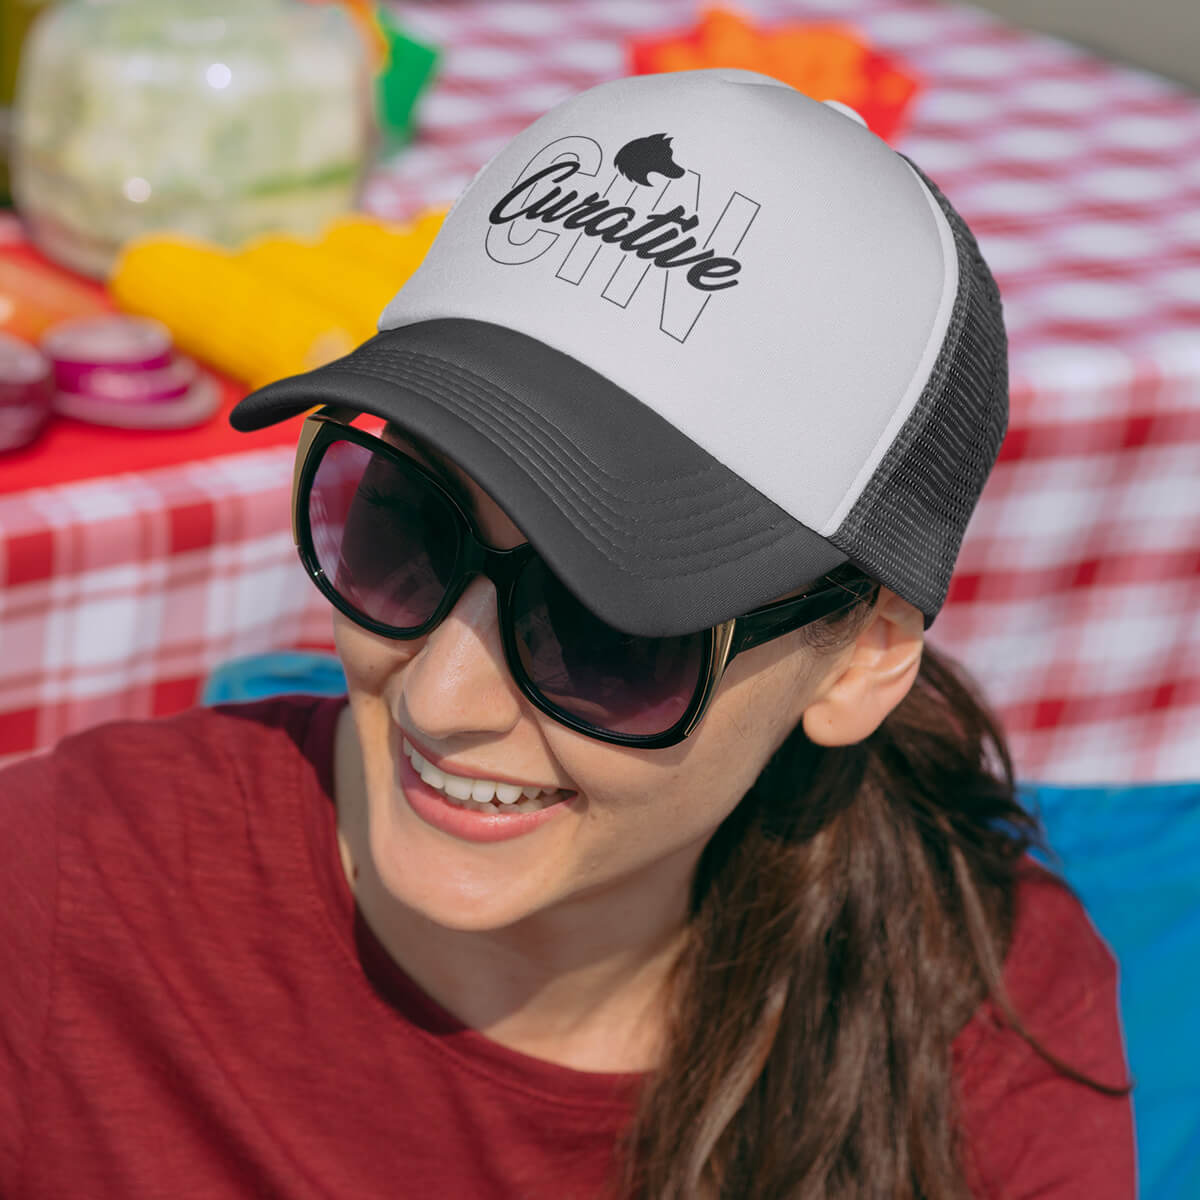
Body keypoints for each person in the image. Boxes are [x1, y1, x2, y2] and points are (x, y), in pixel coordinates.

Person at [0, 70, 1134, 1199]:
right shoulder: (59, 896)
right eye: (405, 522)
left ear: (864, 656)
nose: (442, 696)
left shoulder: (981, 1017)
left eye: (604, 626)